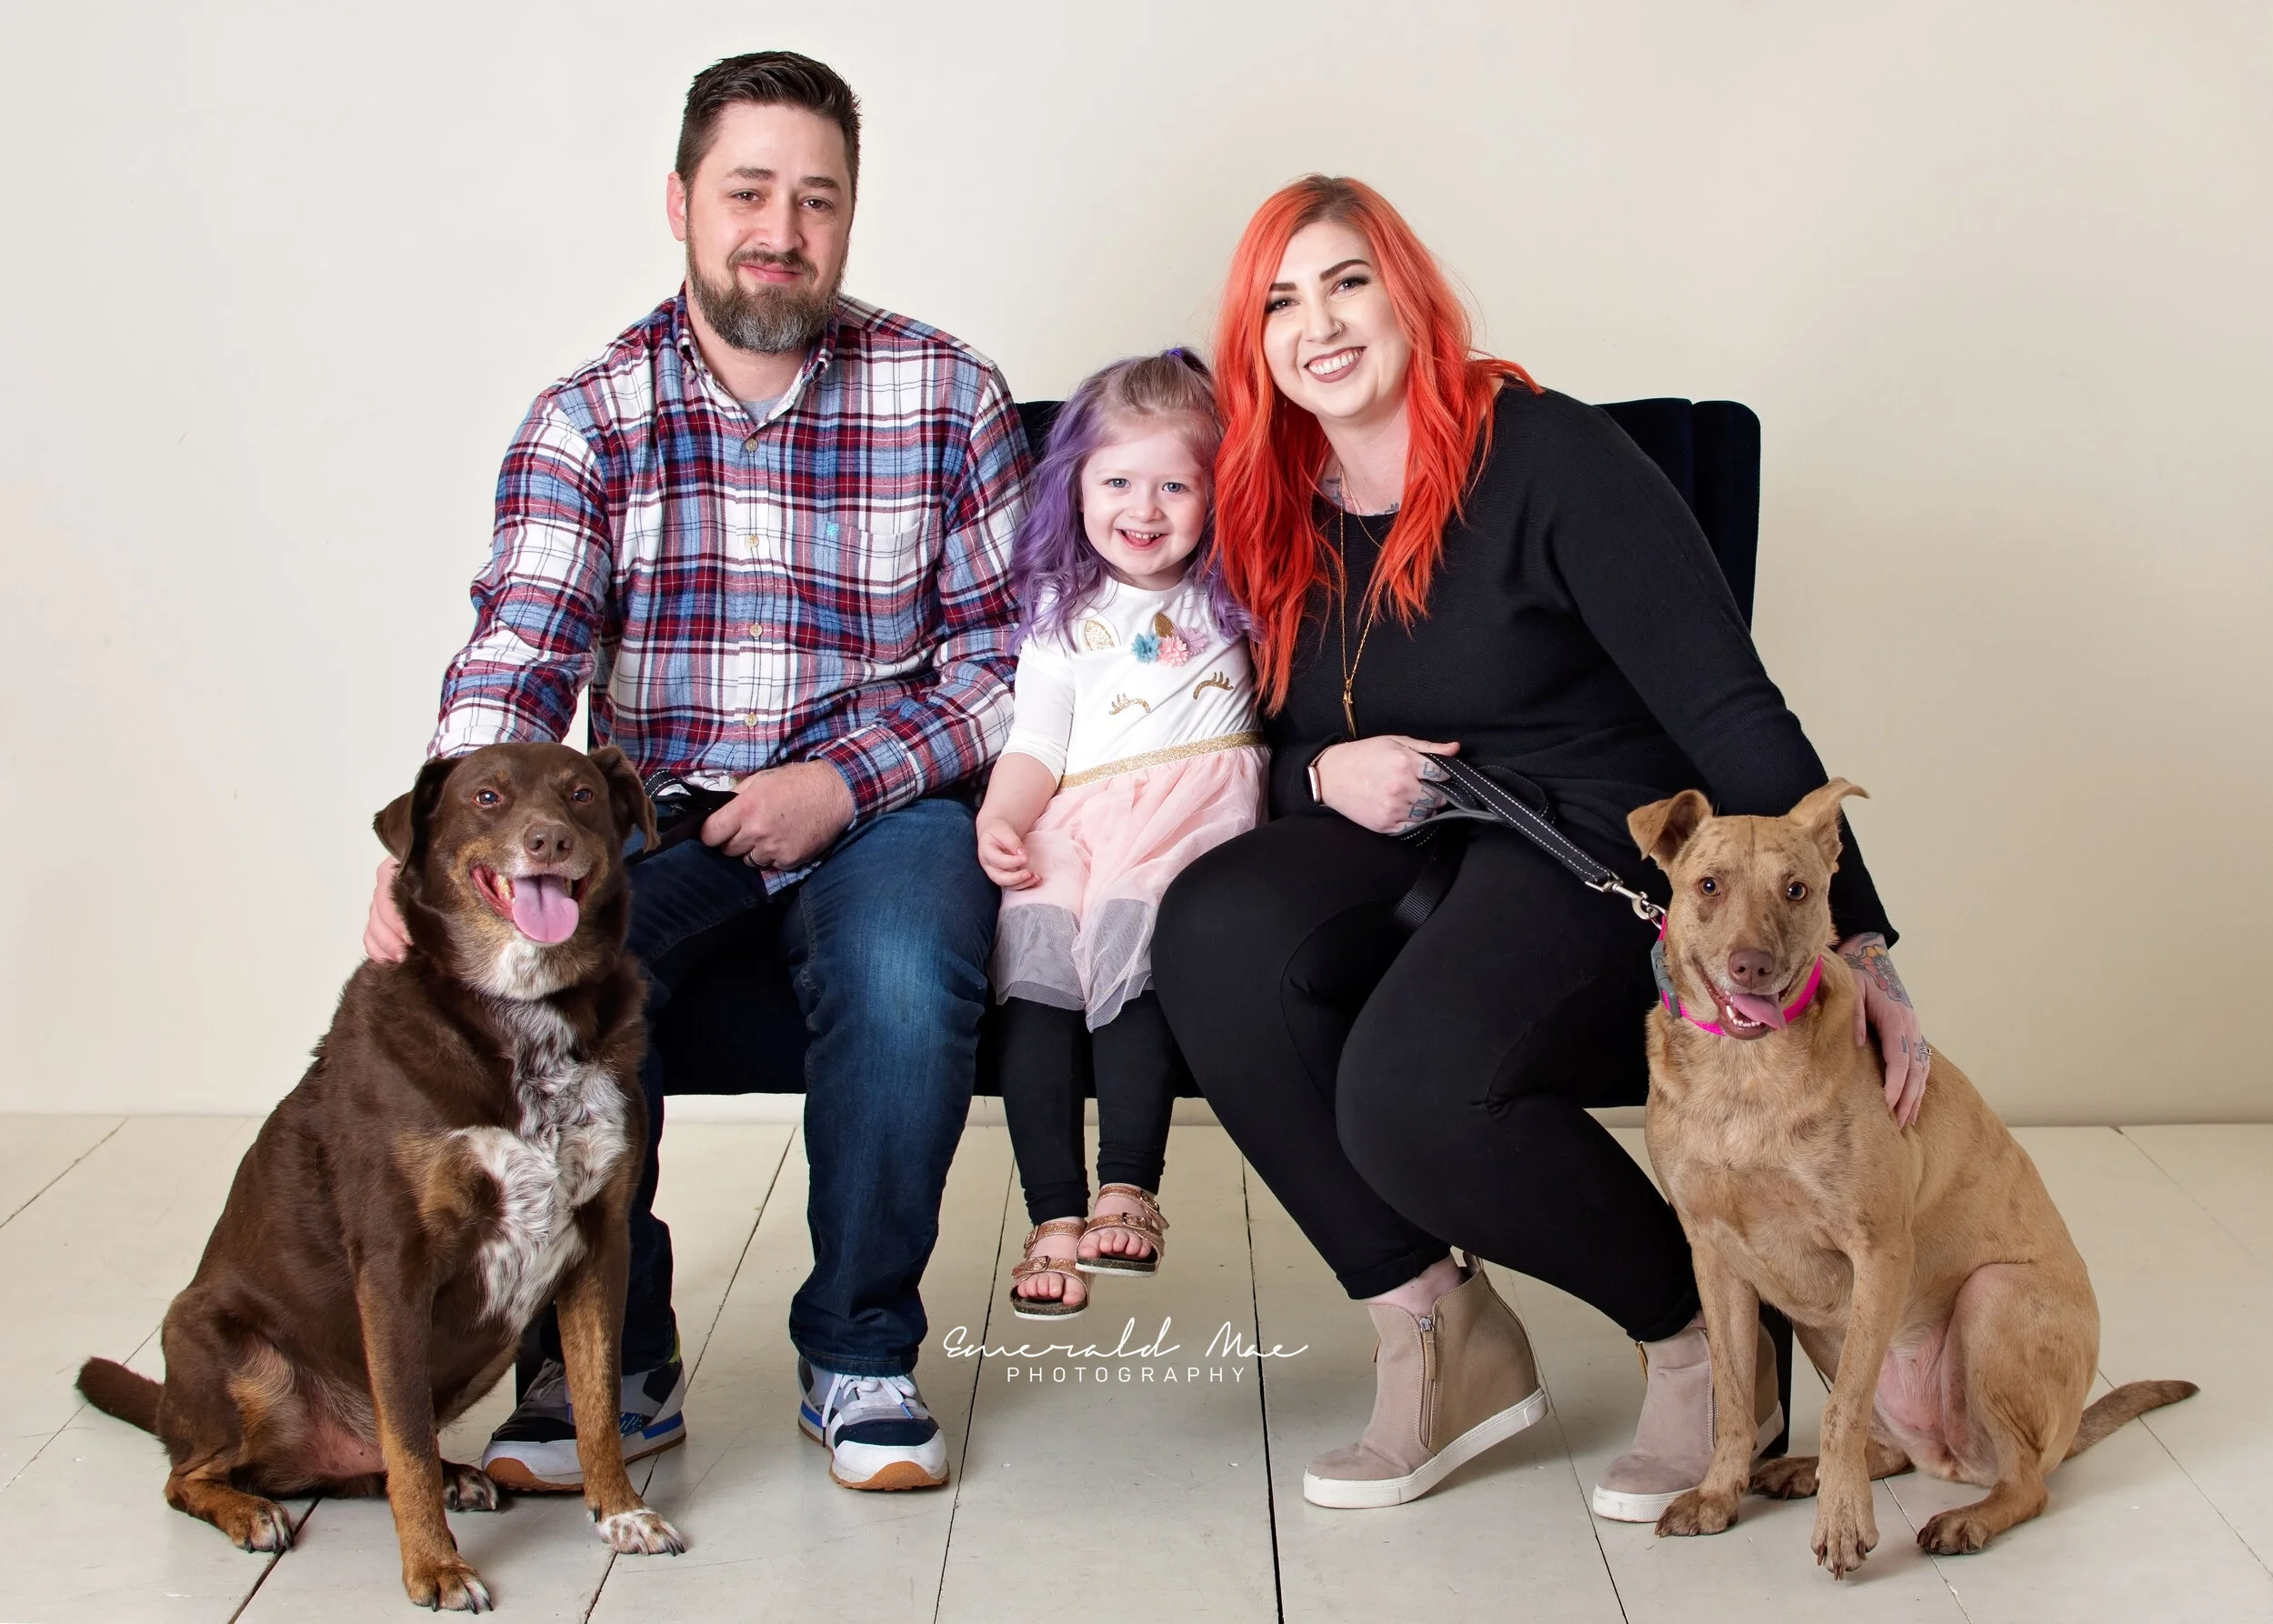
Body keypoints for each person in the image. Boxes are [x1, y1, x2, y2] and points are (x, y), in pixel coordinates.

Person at [1153, 175, 1930, 1518]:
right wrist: (1321, 769)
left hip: (1583, 837)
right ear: (1252, 339)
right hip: (1402, 827)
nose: (1318, 325)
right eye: (1280, 302)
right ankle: (1434, 1326)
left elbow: (1730, 710)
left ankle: (1702, 1344)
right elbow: (1236, 737)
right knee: (1212, 926)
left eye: (1347, 282)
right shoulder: (1266, 492)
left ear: (1408, 293)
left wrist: (1857, 940)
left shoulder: (1550, 457)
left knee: (1412, 1088)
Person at [362, 51, 1029, 1494]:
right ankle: (612, 1357)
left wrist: (843, 781)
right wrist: (432, 856)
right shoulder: (587, 416)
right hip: (657, 816)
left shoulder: (947, 390)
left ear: (850, 216)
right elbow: (519, 654)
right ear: (680, 203)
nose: (780, 230)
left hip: (882, 806)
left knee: (906, 975)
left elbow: (1002, 663)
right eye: (747, 193)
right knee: (535, 980)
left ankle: (858, 1346)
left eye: (817, 198)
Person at [973, 352, 1263, 1319]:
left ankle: (1128, 1185)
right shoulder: (1060, 614)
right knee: (1042, 956)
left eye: (1175, 485)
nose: (1144, 509)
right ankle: (1052, 1213)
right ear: (1075, 486)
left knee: (1134, 936)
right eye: (1118, 483)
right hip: (1077, 812)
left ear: (1217, 492)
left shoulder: (1236, 591)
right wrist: (1003, 816)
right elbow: (1036, 742)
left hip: (1192, 810)